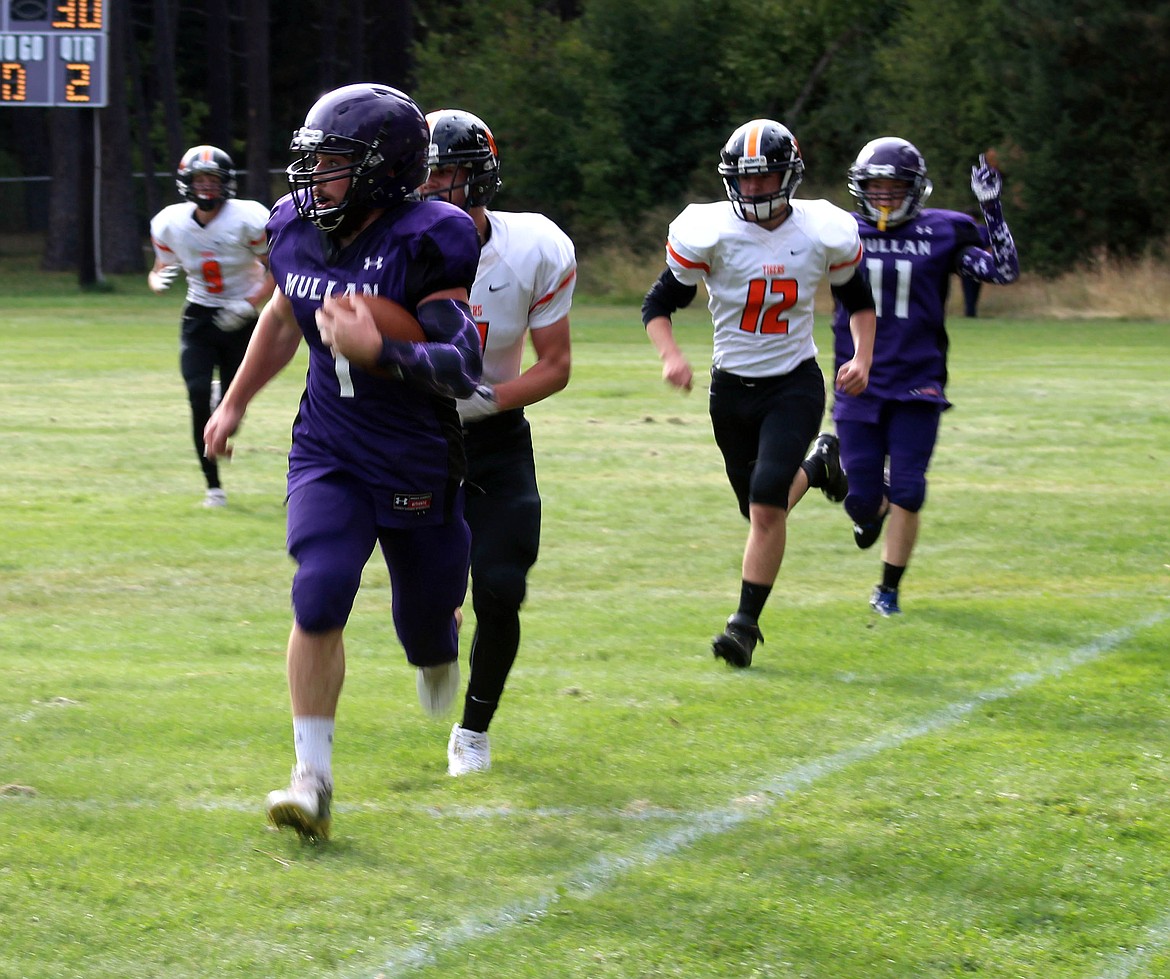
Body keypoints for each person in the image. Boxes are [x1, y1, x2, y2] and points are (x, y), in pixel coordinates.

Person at [203, 83, 483, 841]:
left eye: (332, 163)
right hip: (329, 443)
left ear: (383, 172)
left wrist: (382, 351)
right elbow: (283, 313)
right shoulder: (293, 226)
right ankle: (312, 778)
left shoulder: (433, 235)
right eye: (314, 160)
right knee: (319, 591)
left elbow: (463, 366)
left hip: (417, 454)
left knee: (426, 627)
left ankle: (434, 648)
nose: (313, 178)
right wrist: (235, 401)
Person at [641, 118, 877, 668]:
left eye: (763, 179)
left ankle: (743, 626)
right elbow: (657, 306)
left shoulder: (822, 229)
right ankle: (819, 465)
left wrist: (862, 356)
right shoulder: (710, 230)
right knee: (759, 512)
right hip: (730, 390)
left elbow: (858, 301)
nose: (753, 190)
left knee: (768, 502)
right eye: (744, 180)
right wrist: (671, 355)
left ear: (788, 177)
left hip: (793, 382)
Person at [417, 109, 575, 776]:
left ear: (480, 177)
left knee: (502, 586)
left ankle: (473, 729)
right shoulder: (394, 247)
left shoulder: (534, 247)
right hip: (414, 437)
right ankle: (431, 638)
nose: (437, 185)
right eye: (426, 173)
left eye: (450, 171)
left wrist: (488, 397)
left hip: (495, 436)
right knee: (426, 600)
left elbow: (556, 364)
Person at [833, 137, 1019, 616]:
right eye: (875, 187)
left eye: (896, 187)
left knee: (911, 489)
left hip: (919, 376)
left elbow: (1002, 270)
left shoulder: (944, 230)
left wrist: (991, 208)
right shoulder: (837, 230)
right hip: (858, 378)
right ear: (860, 189)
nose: (885, 196)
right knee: (860, 503)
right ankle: (854, 489)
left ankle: (888, 590)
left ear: (916, 190)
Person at [148, 145, 274, 508]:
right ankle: (213, 487)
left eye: (213, 180)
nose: (206, 187)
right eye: (200, 179)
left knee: (233, 414)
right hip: (199, 317)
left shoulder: (247, 218)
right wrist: (158, 282)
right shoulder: (170, 222)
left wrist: (250, 303)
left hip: (243, 319)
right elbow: (159, 269)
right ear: (187, 183)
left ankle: (227, 405)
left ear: (226, 184)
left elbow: (277, 267)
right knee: (197, 393)